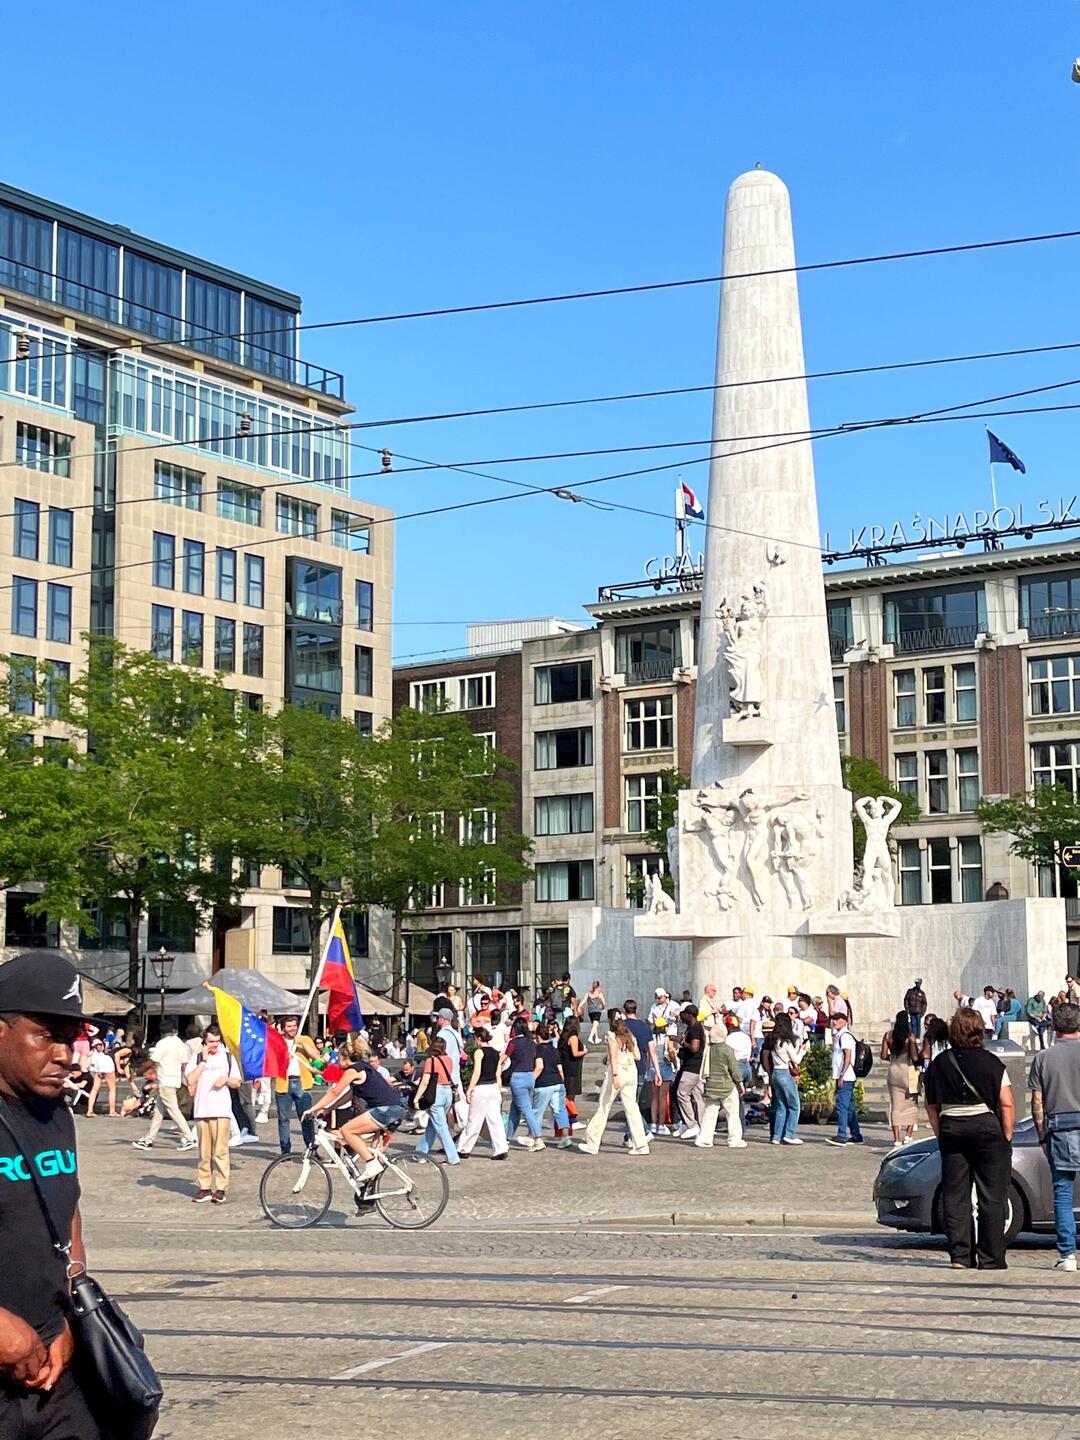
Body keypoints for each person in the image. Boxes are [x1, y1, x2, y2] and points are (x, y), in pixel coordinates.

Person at [0, 954, 104, 1439]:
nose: (65, 1055)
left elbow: (67, 1203)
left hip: (53, 1368)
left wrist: (70, 1307)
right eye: (47, 1035)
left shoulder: (54, 1111)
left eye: (70, 1038)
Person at [923, 1007, 1014, 1270]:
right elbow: (1007, 1103)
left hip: (952, 1127)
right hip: (987, 1128)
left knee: (955, 1194)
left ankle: (960, 1256)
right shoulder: (992, 1062)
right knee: (992, 1195)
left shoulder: (940, 1063)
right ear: (979, 1031)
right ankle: (991, 1258)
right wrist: (1007, 1133)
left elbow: (930, 1104)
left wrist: (940, 1131)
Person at [309, 1039, 406, 1182]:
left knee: (347, 1130)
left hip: (384, 1109)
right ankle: (369, 1187)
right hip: (394, 1108)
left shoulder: (352, 1070)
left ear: (345, 1058)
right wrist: (327, 1108)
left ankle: (371, 1164)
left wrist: (313, 1108)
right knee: (363, 1141)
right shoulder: (364, 1067)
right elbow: (348, 1096)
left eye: (339, 1058)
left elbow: (335, 1092)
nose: (337, 1061)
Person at [1029, 1001, 1080, 1270]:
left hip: (1061, 1126)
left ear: (1053, 1026)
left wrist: (1041, 1137)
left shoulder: (1043, 1058)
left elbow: (1036, 1103)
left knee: (1062, 1192)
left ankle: (1068, 1254)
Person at [577, 1019, 650, 1155]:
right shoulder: (630, 1037)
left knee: (604, 1107)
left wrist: (615, 1075)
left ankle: (592, 1142)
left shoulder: (612, 1037)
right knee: (632, 1109)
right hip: (631, 1072)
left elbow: (614, 1057)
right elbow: (638, 1056)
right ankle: (641, 1144)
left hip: (618, 1072)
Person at [185, 1029, 242, 1204]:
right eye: (211, 1041)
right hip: (202, 1109)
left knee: (220, 1151)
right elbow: (190, 1079)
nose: (214, 1045)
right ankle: (205, 1187)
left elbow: (237, 1082)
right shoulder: (197, 1058)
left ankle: (221, 1187)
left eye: (217, 1041)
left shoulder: (227, 1057)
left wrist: (226, 1080)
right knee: (204, 1152)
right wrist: (203, 1061)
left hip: (221, 1110)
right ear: (204, 1041)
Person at [132, 1024, 196, 1152]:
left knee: (173, 1110)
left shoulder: (162, 1043)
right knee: (158, 1111)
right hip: (175, 1079)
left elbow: (152, 1061)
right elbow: (184, 1064)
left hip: (166, 1080)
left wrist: (137, 1072)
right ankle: (148, 1139)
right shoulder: (180, 1043)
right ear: (174, 1031)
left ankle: (189, 1137)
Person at [456, 1028, 509, 1161]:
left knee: (474, 1119)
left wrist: (469, 1089)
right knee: (495, 1120)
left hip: (481, 1088)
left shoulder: (479, 1052)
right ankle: (501, 1148)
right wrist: (499, 1089)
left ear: (478, 1038)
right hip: (493, 1087)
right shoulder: (496, 1052)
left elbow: (477, 1072)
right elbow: (498, 1073)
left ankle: (464, 1148)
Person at [696, 1022, 747, 1148]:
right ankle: (734, 1140)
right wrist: (740, 1083)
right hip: (727, 1086)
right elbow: (734, 1069)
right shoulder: (727, 1049)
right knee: (733, 1114)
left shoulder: (708, 1049)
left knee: (709, 1114)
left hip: (711, 1086)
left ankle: (704, 1139)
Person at [274, 1016, 319, 1155]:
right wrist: (284, 1058)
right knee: (283, 1119)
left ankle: (311, 1149)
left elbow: (316, 1055)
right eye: (289, 1026)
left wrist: (302, 1044)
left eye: (294, 1025)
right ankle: (285, 1151)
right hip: (284, 1083)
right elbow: (271, 1061)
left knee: (306, 1117)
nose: (292, 1029)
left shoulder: (304, 1039)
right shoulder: (278, 1041)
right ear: (283, 1029)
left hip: (302, 1082)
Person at [412, 1037, 460, 1165]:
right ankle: (420, 1153)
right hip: (447, 1093)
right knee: (433, 1126)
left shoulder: (430, 1061)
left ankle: (453, 1157)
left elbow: (425, 1081)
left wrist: (416, 1098)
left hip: (436, 1093)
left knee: (441, 1127)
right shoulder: (448, 1059)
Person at [880, 1011, 920, 1145]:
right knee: (911, 1104)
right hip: (907, 1070)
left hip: (894, 1071)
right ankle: (908, 1135)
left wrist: (892, 1058)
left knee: (896, 1106)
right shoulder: (910, 1037)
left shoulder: (888, 1035)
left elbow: (883, 1055)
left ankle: (896, 1138)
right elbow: (914, 1057)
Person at [765, 1013, 805, 1145]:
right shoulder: (786, 1042)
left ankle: (776, 1136)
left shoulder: (774, 1040)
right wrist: (802, 1050)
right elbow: (796, 1060)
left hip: (775, 1072)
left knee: (781, 1106)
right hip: (785, 1073)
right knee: (794, 1106)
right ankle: (789, 1134)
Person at [531, 1023, 572, 1148]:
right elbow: (560, 1069)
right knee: (560, 1111)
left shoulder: (537, 1050)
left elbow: (539, 1067)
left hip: (543, 1083)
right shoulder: (554, 1049)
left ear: (538, 1036)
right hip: (557, 1082)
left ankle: (537, 1138)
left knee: (537, 1112)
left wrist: (530, 1081)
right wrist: (562, 1083)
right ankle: (565, 1137)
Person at [503, 1019, 542, 1147]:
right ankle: (507, 1137)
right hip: (530, 1076)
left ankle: (537, 1137)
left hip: (518, 1076)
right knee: (515, 1109)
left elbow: (504, 1058)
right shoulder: (531, 1043)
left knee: (526, 1109)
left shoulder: (513, 1043)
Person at [825, 1012, 863, 1146]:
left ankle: (842, 1135)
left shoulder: (845, 1036)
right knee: (849, 1106)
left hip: (846, 1076)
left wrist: (842, 1074)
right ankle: (856, 1135)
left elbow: (847, 1056)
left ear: (845, 1021)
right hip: (844, 1075)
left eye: (838, 1019)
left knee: (842, 1106)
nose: (835, 1022)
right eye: (834, 1019)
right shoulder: (840, 1035)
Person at [674, 1006, 707, 1141]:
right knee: (697, 1096)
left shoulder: (695, 1029)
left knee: (682, 1093)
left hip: (692, 1067)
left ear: (689, 1015)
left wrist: (682, 1042)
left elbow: (694, 1047)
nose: (681, 1016)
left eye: (683, 1014)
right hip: (695, 1067)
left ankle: (692, 1124)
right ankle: (703, 1127)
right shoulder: (694, 1028)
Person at [557, 1016, 586, 1128]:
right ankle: (572, 1118)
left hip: (566, 1066)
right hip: (572, 1068)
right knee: (570, 1095)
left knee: (568, 1093)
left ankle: (566, 1118)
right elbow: (575, 1053)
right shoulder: (573, 1037)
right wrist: (584, 1052)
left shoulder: (563, 1037)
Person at [648, 1023, 676, 1136]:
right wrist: (675, 1063)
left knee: (654, 1097)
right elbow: (671, 1052)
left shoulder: (651, 1038)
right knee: (663, 1097)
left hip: (653, 1067)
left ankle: (653, 1123)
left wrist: (647, 1070)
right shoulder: (667, 1038)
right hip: (665, 1067)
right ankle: (661, 1124)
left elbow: (649, 1055)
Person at [84, 1039, 117, 1118]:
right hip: (106, 1065)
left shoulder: (92, 1054)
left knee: (95, 1089)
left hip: (96, 1066)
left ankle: (90, 1111)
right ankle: (112, 1111)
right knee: (112, 1088)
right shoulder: (105, 1056)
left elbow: (87, 1066)